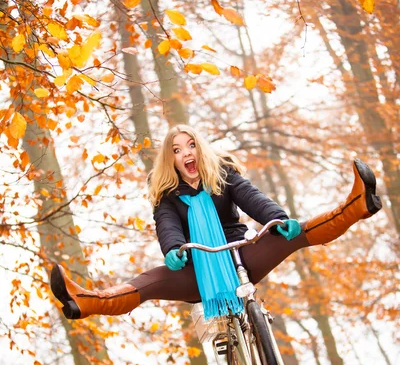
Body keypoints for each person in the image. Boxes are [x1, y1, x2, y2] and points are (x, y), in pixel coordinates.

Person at [50, 124, 382, 320]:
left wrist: (277, 218)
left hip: (241, 257)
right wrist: (174, 249)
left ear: (200, 149)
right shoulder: (167, 196)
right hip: (196, 270)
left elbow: (251, 197)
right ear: (172, 160)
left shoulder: (223, 174)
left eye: (191, 145)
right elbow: (167, 225)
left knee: (292, 233)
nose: (186, 153)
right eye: (177, 150)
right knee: (147, 281)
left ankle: (357, 205)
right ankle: (84, 301)